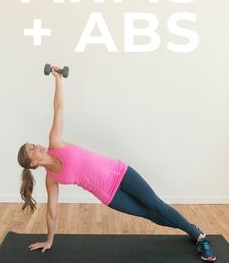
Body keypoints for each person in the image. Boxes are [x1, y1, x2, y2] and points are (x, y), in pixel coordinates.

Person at [17, 66, 216, 261]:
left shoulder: (55, 142)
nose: (36, 146)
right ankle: (190, 230)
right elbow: (52, 212)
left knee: (157, 205)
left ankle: (199, 236)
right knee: (148, 214)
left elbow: (58, 108)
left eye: (32, 144)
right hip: (110, 196)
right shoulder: (51, 179)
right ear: (33, 163)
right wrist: (49, 240)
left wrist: (58, 80)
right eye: (31, 149)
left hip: (120, 171)